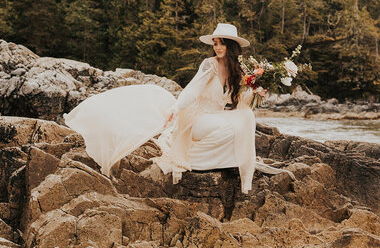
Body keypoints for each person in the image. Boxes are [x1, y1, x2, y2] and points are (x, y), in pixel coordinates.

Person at [64, 23, 289, 194]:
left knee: (246, 116)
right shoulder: (210, 65)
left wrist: (255, 91)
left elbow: (239, 102)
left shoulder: (237, 71)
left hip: (216, 119)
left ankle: (232, 164)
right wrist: (176, 107)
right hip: (199, 121)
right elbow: (192, 90)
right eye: (215, 43)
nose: (217, 47)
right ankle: (218, 167)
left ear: (230, 47)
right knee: (245, 119)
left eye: (221, 43)